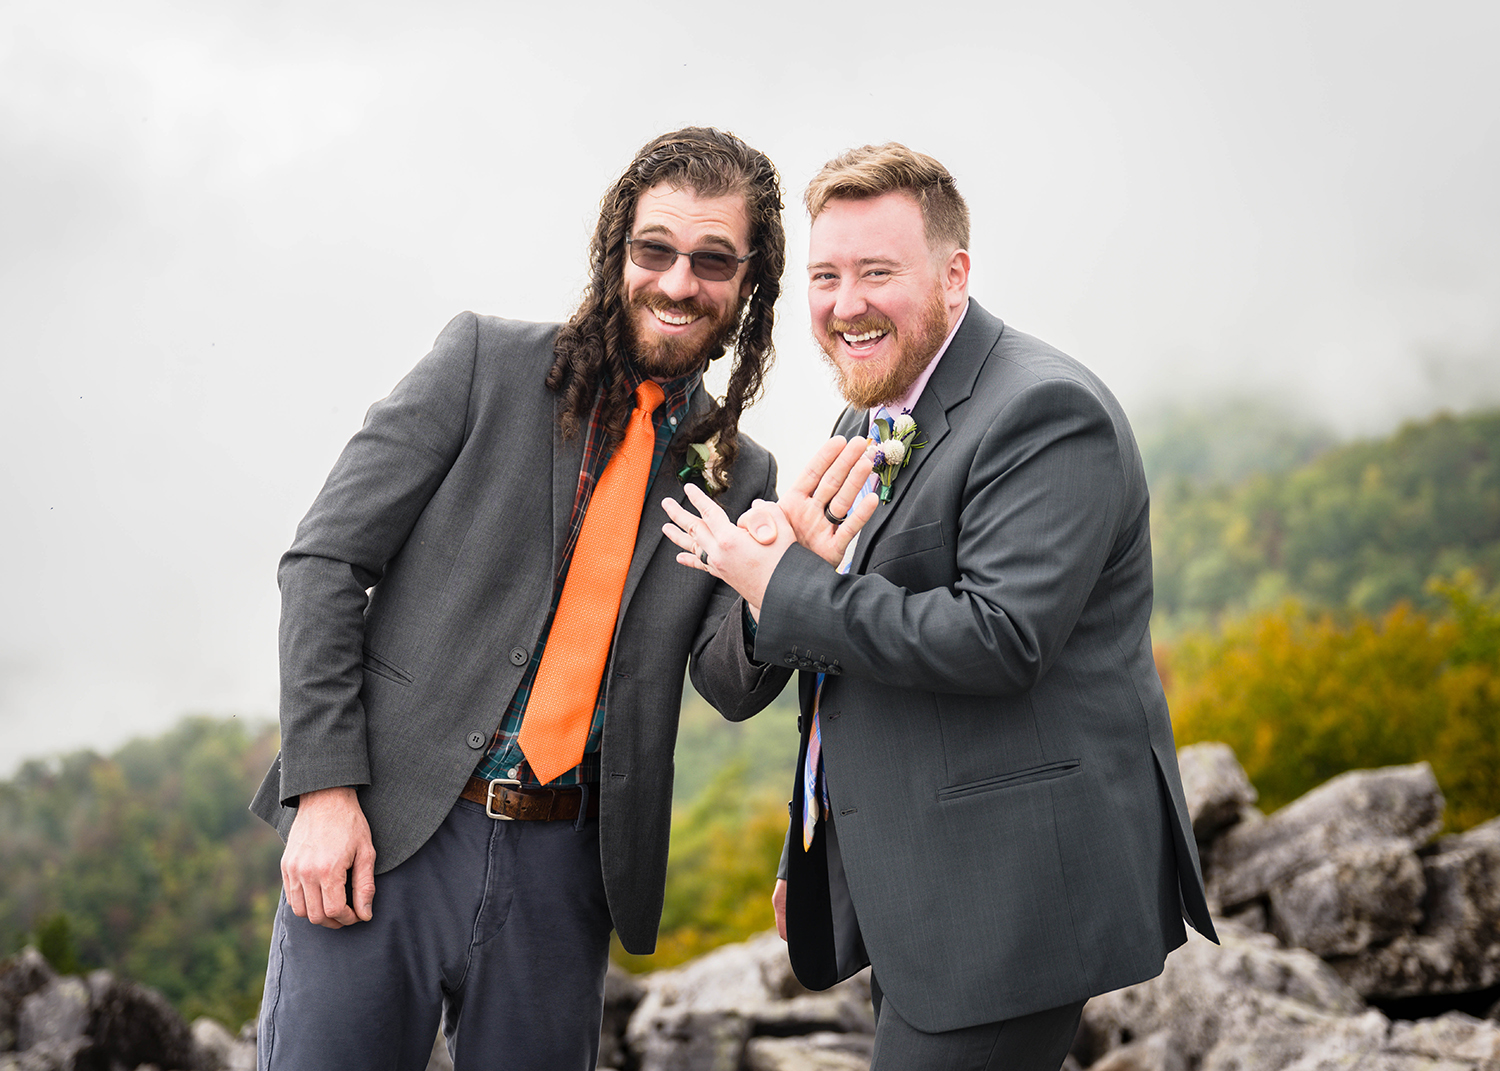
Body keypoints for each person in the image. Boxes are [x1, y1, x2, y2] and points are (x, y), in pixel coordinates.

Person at [664, 142, 1218, 1071]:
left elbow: (1001, 639)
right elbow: (770, 674)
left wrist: (786, 582)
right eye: (826, 276)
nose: (846, 305)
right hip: (920, 881)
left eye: (878, 272)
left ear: (955, 276)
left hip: (1012, 899)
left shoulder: (1047, 410)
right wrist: (824, 837)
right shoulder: (867, 417)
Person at [249, 127, 793, 1071]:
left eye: (712, 261)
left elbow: (731, 683)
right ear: (616, 247)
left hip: (564, 871)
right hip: (387, 832)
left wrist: (782, 581)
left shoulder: (741, 472)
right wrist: (325, 790)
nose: (676, 282)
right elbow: (325, 561)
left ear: (749, 283)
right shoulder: (482, 363)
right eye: (654, 249)